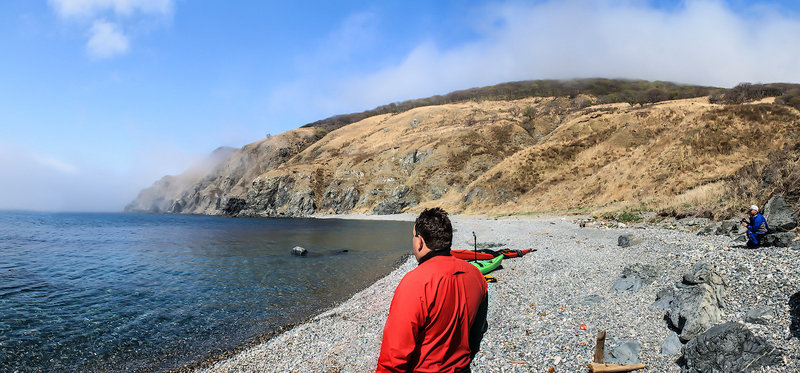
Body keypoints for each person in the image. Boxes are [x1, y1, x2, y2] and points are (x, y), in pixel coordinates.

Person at [376, 208, 488, 373]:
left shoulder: (415, 282)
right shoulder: (477, 276)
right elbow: (477, 332)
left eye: (413, 236)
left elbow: (394, 354)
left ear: (419, 241)